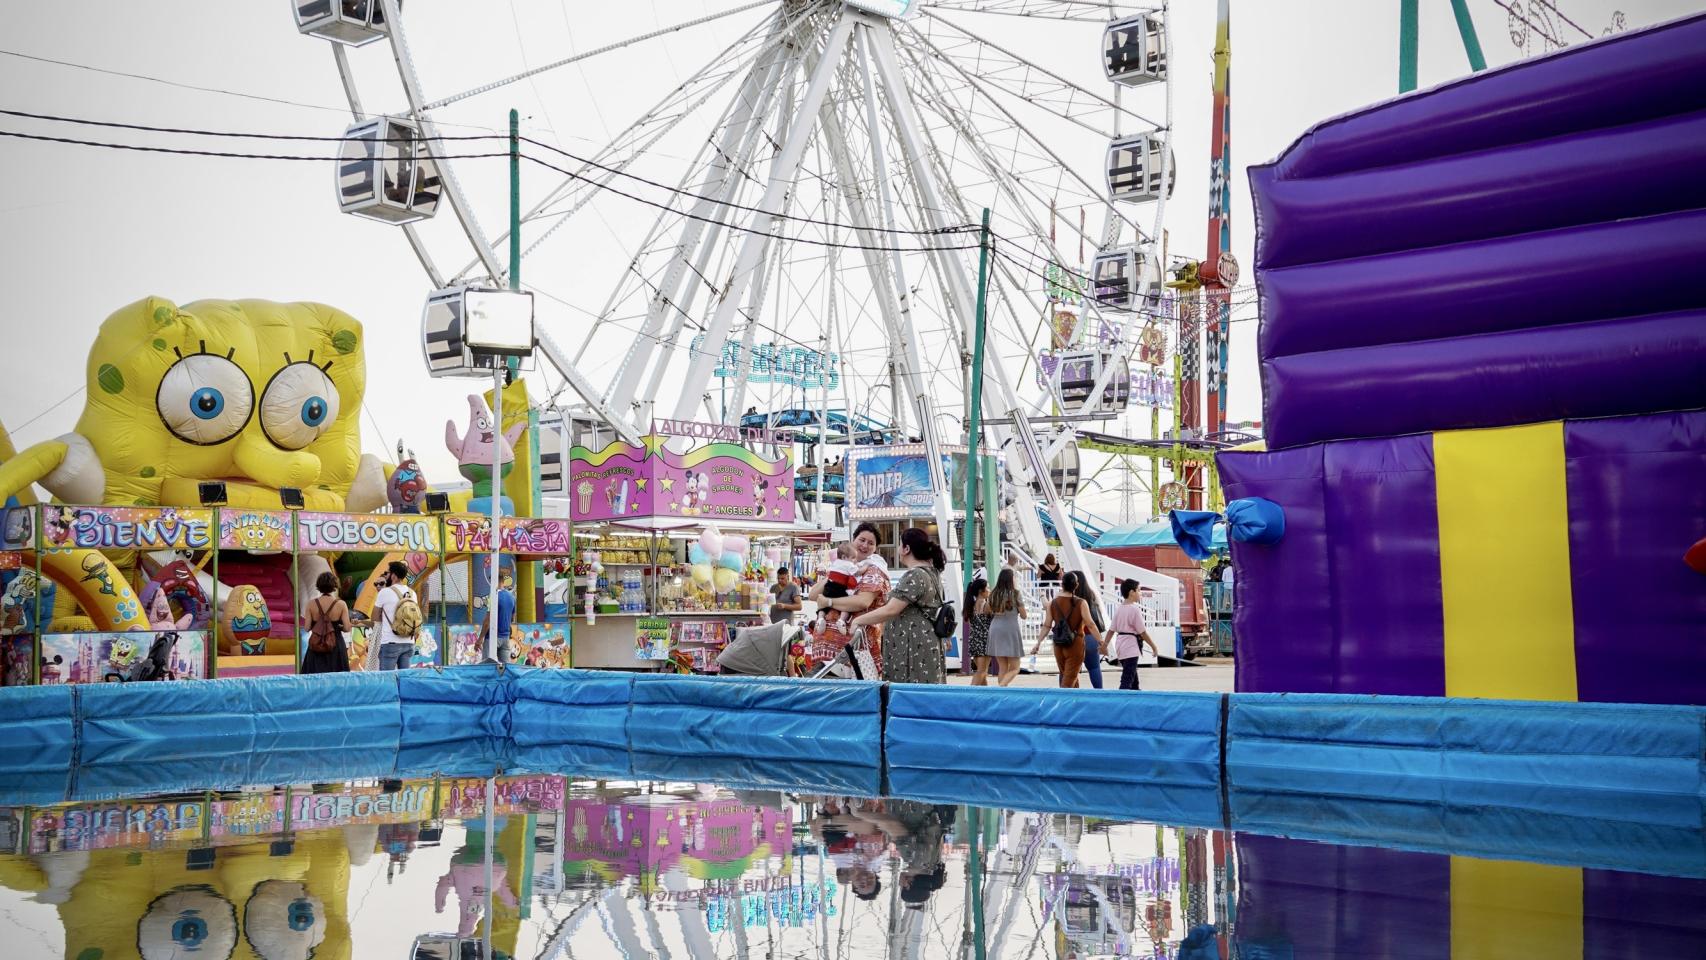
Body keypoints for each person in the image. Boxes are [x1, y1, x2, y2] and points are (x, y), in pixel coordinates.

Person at [851, 527, 947, 685]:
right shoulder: (931, 572)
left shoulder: (915, 575)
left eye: (899, 544)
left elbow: (891, 610)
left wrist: (858, 620)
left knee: (908, 691)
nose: (898, 549)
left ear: (906, 549)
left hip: (912, 648)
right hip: (925, 642)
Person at [808, 522, 890, 675]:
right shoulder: (841, 565)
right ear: (853, 539)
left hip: (853, 653)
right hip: (827, 655)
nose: (864, 545)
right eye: (862, 540)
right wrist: (836, 574)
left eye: (870, 543)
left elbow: (862, 602)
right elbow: (813, 595)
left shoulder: (874, 569)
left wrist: (829, 602)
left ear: (875, 548)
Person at [1033, 571, 1103, 688]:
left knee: (1066, 674)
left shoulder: (1053, 603)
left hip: (1059, 643)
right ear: (1076, 585)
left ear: (1062, 585)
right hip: (1076, 643)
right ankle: (1063, 699)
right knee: (1070, 679)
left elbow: (1047, 625)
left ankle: (1074, 698)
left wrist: (1038, 642)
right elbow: (1090, 624)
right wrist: (1101, 641)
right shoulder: (1081, 602)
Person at [1110, 578, 1159, 690]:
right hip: (1131, 646)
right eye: (1139, 590)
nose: (1140, 593)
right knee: (1127, 679)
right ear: (1132, 592)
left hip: (1120, 646)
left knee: (1133, 678)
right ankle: (1122, 698)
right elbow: (1142, 632)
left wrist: (1104, 645)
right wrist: (1154, 647)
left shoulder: (1119, 608)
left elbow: (1111, 630)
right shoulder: (1134, 609)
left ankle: (1136, 693)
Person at [301, 571, 352, 674]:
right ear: (334, 586)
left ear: (318, 586)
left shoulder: (311, 604)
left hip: (316, 645)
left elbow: (306, 628)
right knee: (338, 677)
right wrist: (338, 627)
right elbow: (347, 628)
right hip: (336, 645)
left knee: (314, 677)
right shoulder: (341, 604)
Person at [372, 560, 418, 671]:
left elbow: (374, 617)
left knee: (387, 678)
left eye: (388, 573)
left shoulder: (384, 592)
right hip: (409, 642)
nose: (386, 576)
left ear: (394, 576)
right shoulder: (412, 593)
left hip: (390, 642)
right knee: (404, 677)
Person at [983, 568, 1026, 686]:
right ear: (1011, 579)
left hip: (995, 628)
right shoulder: (1016, 594)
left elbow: (986, 611)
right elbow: (1024, 615)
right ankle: (1001, 687)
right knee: (1015, 668)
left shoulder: (993, 594)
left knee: (1002, 667)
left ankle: (1002, 691)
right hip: (1010, 629)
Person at [1070, 570, 1108, 689]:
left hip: (1074, 637)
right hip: (1091, 636)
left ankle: (1068, 694)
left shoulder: (1069, 597)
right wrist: (1100, 640)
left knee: (1069, 669)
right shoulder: (1091, 595)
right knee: (1094, 668)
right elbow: (1095, 617)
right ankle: (1099, 693)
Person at [961, 577, 990, 684]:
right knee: (981, 672)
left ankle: (985, 694)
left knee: (983, 673)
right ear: (981, 591)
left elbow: (970, 623)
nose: (989, 590)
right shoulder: (986, 605)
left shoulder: (970, 606)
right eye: (988, 588)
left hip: (974, 640)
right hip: (984, 641)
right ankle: (970, 692)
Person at [491, 574, 516, 663]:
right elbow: (513, 618)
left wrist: (481, 637)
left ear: (495, 581)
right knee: (505, 666)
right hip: (505, 636)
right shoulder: (512, 597)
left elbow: (488, 618)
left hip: (493, 636)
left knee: (488, 665)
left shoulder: (494, 596)